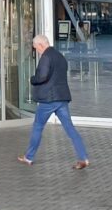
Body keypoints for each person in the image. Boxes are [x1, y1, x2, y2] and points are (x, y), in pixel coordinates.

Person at [18, 34, 89, 169]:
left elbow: (42, 76)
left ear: (41, 45)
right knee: (70, 129)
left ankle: (29, 157)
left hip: (48, 99)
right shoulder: (59, 56)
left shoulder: (46, 57)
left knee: (38, 127)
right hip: (62, 98)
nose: (37, 51)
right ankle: (83, 157)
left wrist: (33, 79)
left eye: (36, 48)